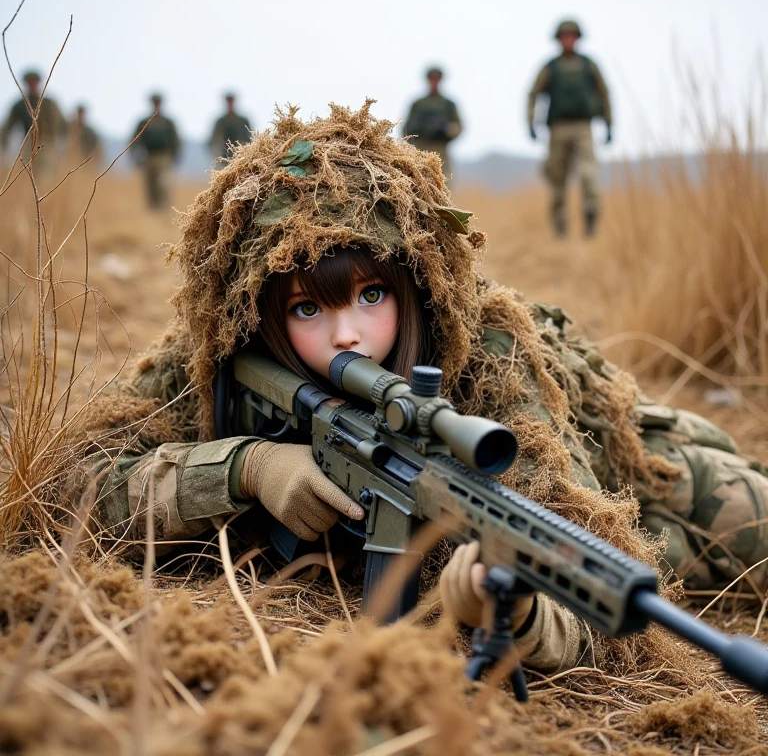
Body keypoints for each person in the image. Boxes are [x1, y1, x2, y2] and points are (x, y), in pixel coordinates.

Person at [72, 103, 768, 676]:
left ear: (413, 285)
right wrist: (246, 467)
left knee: (722, 538)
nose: (348, 335)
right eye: (307, 308)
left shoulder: (487, 357)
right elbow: (79, 479)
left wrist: (519, 615)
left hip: (634, 472)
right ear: (259, 311)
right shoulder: (222, 355)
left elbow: (582, 562)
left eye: (372, 294)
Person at [527, 20, 612, 238]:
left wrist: (609, 124)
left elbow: (604, 94)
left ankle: (590, 219)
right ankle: (560, 227)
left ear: (577, 38)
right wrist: (530, 122)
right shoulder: (551, 68)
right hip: (558, 129)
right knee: (557, 178)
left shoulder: (588, 66)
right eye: (564, 36)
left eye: (571, 36)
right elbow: (533, 94)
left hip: (583, 127)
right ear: (558, 39)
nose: (568, 40)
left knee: (588, 174)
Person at [0, 69, 67, 176]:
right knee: (28, 176)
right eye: (29, 83)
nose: (32, 85)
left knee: (45, 176)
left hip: (47, 145)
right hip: (28, 145)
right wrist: (3, 145)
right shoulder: (20, 105)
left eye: (34, 82)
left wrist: (63, 146)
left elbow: (63, 125)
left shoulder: (49, 104)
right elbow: (7, 127)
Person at [404, 67, 462, 187]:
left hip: (440, 152)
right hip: (420, 151)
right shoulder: (418, 104)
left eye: (436, 79)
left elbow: (458, 128)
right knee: (417, 186)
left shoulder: (448, 105)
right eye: (432, 79)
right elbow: (406, 130)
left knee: (444, 186)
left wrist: (446, 131)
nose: (434, 83)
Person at [130, 93, 181, 210]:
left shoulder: (168, 123)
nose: (156, 106)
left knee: (163, 184)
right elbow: (134, 139)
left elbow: (176, 141)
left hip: (164, 157)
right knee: (150, 185)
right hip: (148, 156)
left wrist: (175, 156)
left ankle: (163, 208)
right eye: (154, 103)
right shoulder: (144, 122)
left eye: (158, 103)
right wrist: (135, 155)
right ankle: (152, 210)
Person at [209, 92, 252, 164]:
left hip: (242, 156)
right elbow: (214, 139)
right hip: (225, 157)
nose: (230, 104)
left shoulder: (243, 120)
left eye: (231, 101)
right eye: (228, 102)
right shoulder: (221, 121)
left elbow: (250, 137)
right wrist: (216, 155)